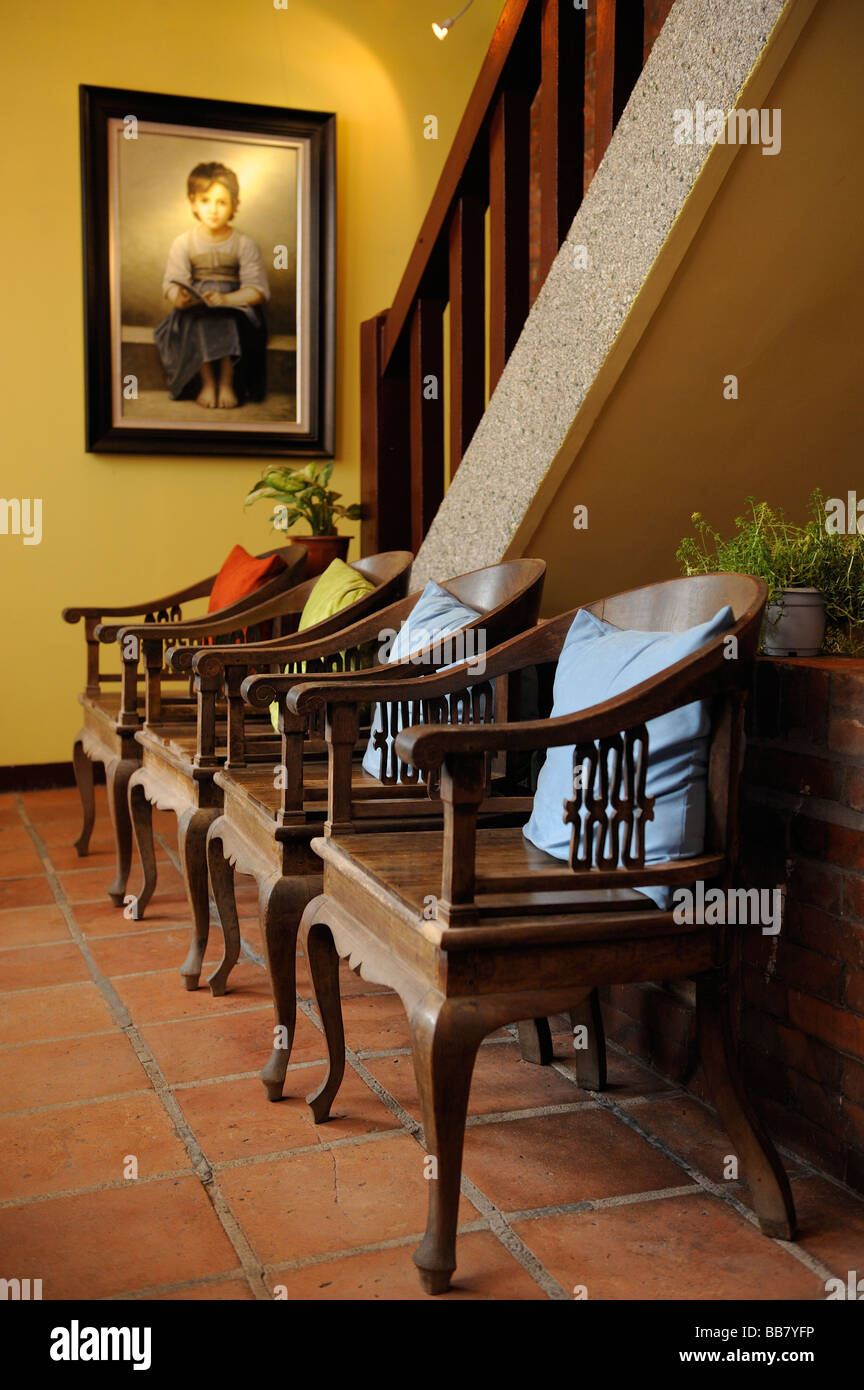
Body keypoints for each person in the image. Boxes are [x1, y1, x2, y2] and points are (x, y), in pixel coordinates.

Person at [154, 162, 270, 409]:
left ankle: (227, 382)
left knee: (225, 317)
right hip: (196, 309)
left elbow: (257, 289)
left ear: (235, 205)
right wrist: (179, 297)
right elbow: (172, 280)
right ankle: (208, 381)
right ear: (193, 202)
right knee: (201, 316)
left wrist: (228, 299)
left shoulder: (244, 244)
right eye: (206, 200)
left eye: (222, 202)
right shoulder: (183, 243)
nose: (213, 210)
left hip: (236, 309)